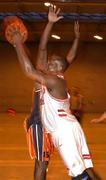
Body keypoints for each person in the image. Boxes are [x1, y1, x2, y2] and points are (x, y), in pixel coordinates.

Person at [6, 5, 101, 180]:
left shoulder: (51, 79)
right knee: (84, 167)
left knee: (61, 168)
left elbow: (31, 68)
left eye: (51, 62)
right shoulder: (56, 76)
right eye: (47, 61)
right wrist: (73, 37)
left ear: (57, 68)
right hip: (58, 124)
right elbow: (59, 54)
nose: (46, 62)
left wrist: (17, 43)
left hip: (54, 125)